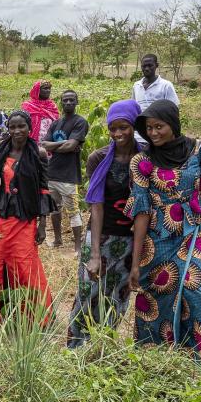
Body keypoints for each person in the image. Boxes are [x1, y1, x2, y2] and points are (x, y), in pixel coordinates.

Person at [125, 100, 201, 353]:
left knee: (199, 295)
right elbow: (141, 211)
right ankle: (155, 361)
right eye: (149, 128)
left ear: (173, 124)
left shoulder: (200, 149)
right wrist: (135, 263)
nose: (153, 133)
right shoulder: (141, 161)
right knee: (158, 300)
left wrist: (194, 209)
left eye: (159, 126)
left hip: (190, 236)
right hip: (156, 241)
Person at [66, 100, 146, 348]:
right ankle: (77, 348)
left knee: (118, 295)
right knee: (88, 292)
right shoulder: (98, 158)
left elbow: (145, 209)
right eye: (113, 128)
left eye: (124, 127)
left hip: (130, 239)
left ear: (134, 126)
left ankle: (102, 347)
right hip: (100, 235)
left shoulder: (145, 158)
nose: (118, 134)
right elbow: (96, 206)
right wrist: (95, 254)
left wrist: (136, 263)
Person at [0, 111, 52, 320]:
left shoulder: (39, 153)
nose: (17, 131)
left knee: (25, 265)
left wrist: (43, 224)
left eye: (22, 127)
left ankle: (35, 315)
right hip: (1, 217)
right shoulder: (1, 151)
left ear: (30, 128)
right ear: (8, 129)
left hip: (25, 219)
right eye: (13, 127)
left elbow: (43, 189)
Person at [40, 89, 89, 255]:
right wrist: (66, 145)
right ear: (61, 102)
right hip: (52, 173)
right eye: (65, 100)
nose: (68, 103)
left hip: (69, 175)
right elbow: (44, 144)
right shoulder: (55, 124)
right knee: (55, 209)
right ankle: (58, 240)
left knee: (73, 212)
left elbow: (70, 146)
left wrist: (58, 145)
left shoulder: (80, 122)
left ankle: (77, 247)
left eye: (71, 100)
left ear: (76, 102)